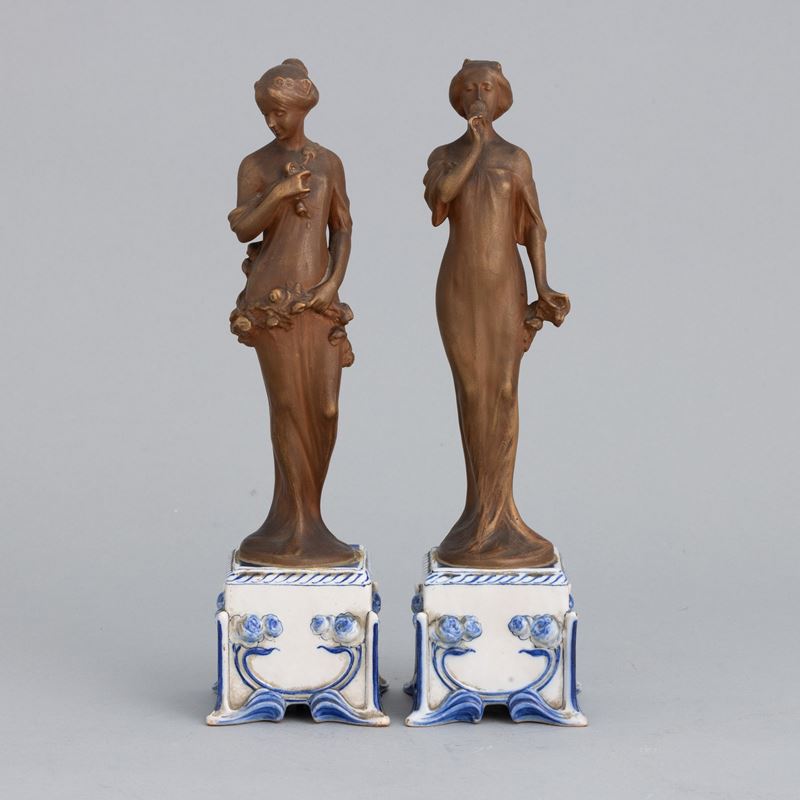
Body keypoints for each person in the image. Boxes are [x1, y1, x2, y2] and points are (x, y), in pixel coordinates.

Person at [424, 60, 571, 568]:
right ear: (458, 98)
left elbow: (534, 227)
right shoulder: (445, 156)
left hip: (506, 285)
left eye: (486, 88)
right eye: (469, 88)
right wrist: (473, 147)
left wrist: (543, 285)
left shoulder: (516, 159)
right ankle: (476, 517)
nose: (478, 96)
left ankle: (504, 516)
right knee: (471, 393)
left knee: (504, 391)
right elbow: (441, 201)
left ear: (501, 96)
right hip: (459, 288)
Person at [227, 59, 358, 567]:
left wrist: (332, 284)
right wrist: (279, 193)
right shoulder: (255, 165)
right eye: (265, 112)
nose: (271, 121)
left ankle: (310, 518)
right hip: (272, 301)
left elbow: (342, 227)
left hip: (319, 300)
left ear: (302, 108)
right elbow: (242, 227)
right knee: (286, 406)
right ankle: (291, 525)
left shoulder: (329, 163)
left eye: (279, 112)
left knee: (324, 408)